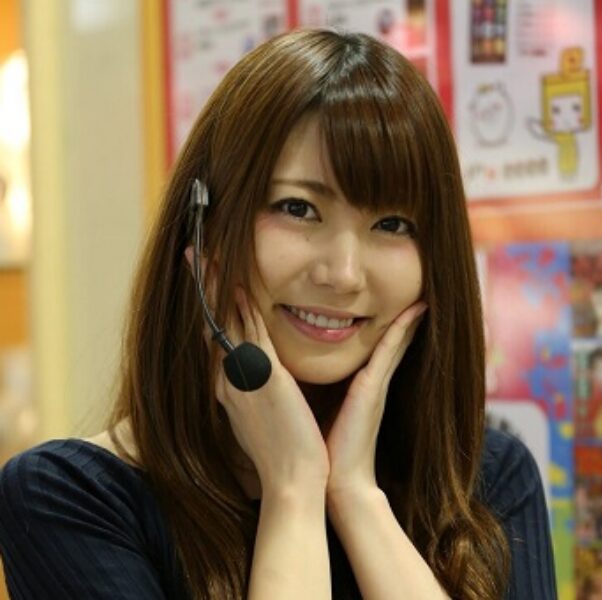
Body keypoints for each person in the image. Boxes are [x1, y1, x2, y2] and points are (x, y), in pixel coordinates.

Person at [0, 29, 557, 599]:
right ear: (205, 228)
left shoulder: (486, 480)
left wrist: (356, 497)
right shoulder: (68, 499)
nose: (343, 274)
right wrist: (293, 487)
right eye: (298, 208)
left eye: (392, 224)